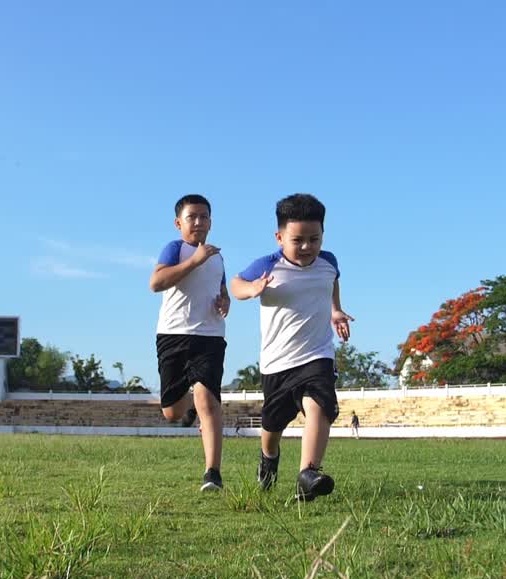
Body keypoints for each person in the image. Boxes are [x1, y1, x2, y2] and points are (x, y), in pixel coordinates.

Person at [231, 193, 353, 501]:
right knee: (272, 427)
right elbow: (235, 284)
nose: (307, 247)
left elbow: (332, 280)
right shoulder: (267, 265)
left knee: (321, 405)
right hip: (277, 363)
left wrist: (335, 309)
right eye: (298, 240)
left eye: (315, 239)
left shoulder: (328, 262)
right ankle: (269, 458)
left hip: (317, 355)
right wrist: (252, 289)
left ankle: (309, 474)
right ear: (280, 236)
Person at [149, 194, 229, 491]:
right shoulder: (175, 249)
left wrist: (225, 301)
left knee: (208, 399)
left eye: (204, 216)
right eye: (191, 217)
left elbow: (220, 288)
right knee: (173, 412)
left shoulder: (218, 256)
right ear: (178, 223)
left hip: (210, 336)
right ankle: (192, 406)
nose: (198, 222)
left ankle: (213, 473)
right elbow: (156, 283)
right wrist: (194, 261)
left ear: (211, 221)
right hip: (173, 335)